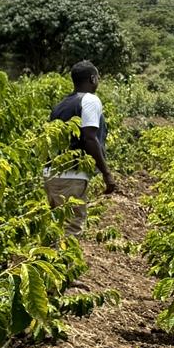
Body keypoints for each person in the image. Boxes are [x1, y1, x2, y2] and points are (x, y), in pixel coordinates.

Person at [45, 60, 115, 234]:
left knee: (57, 228)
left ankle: (54, 260)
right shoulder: (90, 100)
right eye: (97, 77)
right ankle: (65, 262)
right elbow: (90, 139)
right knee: (71, 229)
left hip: (52, 175)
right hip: (71, 175)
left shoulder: (61, 105)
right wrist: (107, 174)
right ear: (92, 79)